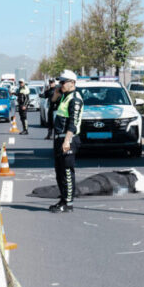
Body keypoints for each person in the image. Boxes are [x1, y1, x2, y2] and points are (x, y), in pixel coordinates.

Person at [50, 70, 83, 213]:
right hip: (59, 139)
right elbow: (51, 102)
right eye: (60, 82)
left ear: (72, 83)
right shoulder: (64, 96)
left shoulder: (75, 99)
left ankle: (68, 203)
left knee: (67, 172)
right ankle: (63, 199)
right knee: (59, 172)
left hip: (68, 139)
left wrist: (67, 141)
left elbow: (73, 123)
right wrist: (56, 94)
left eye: (63, 82)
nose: (61, 84)